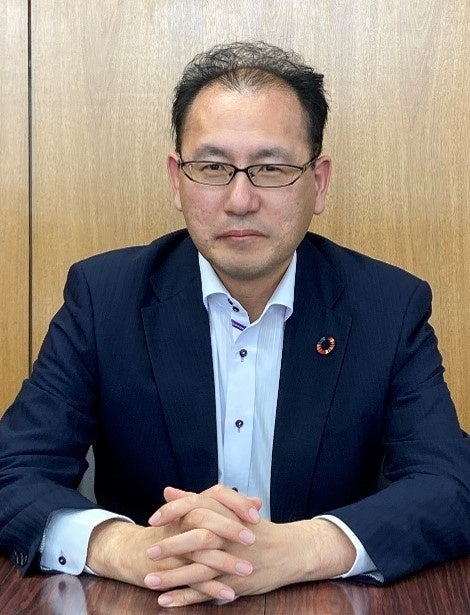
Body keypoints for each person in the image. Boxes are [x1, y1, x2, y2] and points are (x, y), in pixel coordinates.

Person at [0, 41, 469, 608]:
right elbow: (14, 470)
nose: (240, 200)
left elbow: (451, 485)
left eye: (271, 168)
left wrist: (302, 548)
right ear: (176, 179)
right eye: (213, 168)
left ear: (319, 182)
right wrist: (130, 548)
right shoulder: (104, 298)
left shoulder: (386, 307)